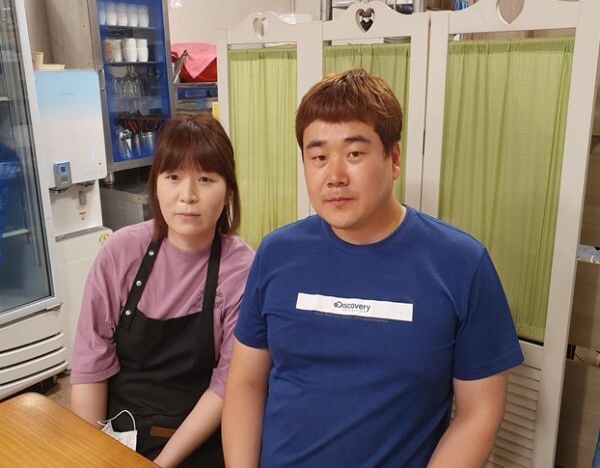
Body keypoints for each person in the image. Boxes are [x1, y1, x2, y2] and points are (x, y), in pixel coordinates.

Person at [222, 68, 524, 467]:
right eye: (318, 157)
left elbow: (479, 412)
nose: (334, 177)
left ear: (393, 158)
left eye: (354, 154)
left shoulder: (461, 263)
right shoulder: (277, 253)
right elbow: (245, 383)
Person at [70, 114, 254, 467]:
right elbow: (91, 364)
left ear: (228, 191)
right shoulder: (121, 251)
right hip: (120, 434)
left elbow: (226, 386)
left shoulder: (242, 269)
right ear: (155, 184)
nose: (188, 196)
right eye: (173, 177)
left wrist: (159, 464)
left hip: (199, 438)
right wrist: (90, 454)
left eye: (205, 179)